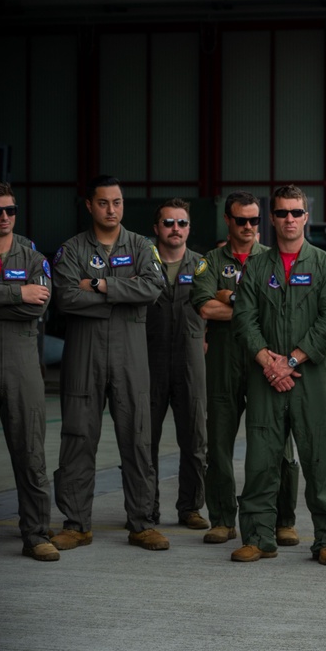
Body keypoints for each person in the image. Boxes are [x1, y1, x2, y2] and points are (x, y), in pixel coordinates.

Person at [51, 175, 169, 551]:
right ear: (89, 205)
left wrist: (100, 285)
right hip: (84, 356)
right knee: (78, 437)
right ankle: (76, 523)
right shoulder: (71, 250)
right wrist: (123, 290)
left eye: (117, 202)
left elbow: (152, 287)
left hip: (130, 355)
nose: (111, 210)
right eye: (103, 203)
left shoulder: (140, 245)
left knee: (136, 437)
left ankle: (142, 522)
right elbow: (66, 297)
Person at [231, 184, 326, 564]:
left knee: (319, 460)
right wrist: (269, 361)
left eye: (296, 212)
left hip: (310, 376)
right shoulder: (256, 267)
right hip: (266, 377)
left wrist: (292, 361)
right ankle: (258, 537)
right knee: (261, 459)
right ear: (273, 217)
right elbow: (244, 318)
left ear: (305, 216)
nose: (289, 219)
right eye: (282, 213)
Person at [191, 192, 300, 545]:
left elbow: (279, 310)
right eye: (242, 220)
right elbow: (205, 309)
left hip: (263, 359)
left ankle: (283, 519)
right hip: (224, 360)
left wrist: (230, 297)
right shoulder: (211, 260)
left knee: (276, 443)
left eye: (254, 220)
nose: (249, 227)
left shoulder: (272, 260)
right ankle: (222, 518)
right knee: (219, 443)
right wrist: (247, 306)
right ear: (228, 220)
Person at [0, 180, 58, 561]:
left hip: (22, 368)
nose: (5, 217)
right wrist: (16, 293)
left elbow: (38, 305)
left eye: (10, 210)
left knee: (30, 453)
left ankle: (37, 534)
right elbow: (25, 299)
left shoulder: (32, 257)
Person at [146, 198, 207, 529]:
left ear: (189, 228)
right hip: (148, 361)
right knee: (145, 441)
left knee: (195, 439)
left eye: (181, 223)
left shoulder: (201, 266)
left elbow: (218, 306)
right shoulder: (142, 263)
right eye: (168, 223)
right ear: (156, 228)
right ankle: (146, 508)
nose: (175, 229)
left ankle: (191, 507)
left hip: (190, 361)